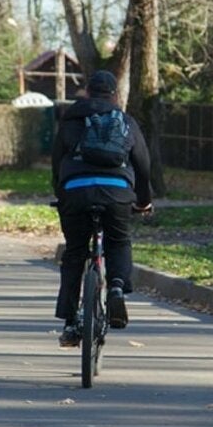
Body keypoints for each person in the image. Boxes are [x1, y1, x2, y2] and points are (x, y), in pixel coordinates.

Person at [50, 70, 153, 347]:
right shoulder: (125, 121)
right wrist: (143, 201)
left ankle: (71, 322)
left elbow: (57, 163)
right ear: (114, 94)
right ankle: (117, 287)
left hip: (76, 191)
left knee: (74, 253)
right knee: (118, 241)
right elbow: (143, 167)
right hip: (117, 191)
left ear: (87, 92)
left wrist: (62, 195)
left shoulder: (71, 120)